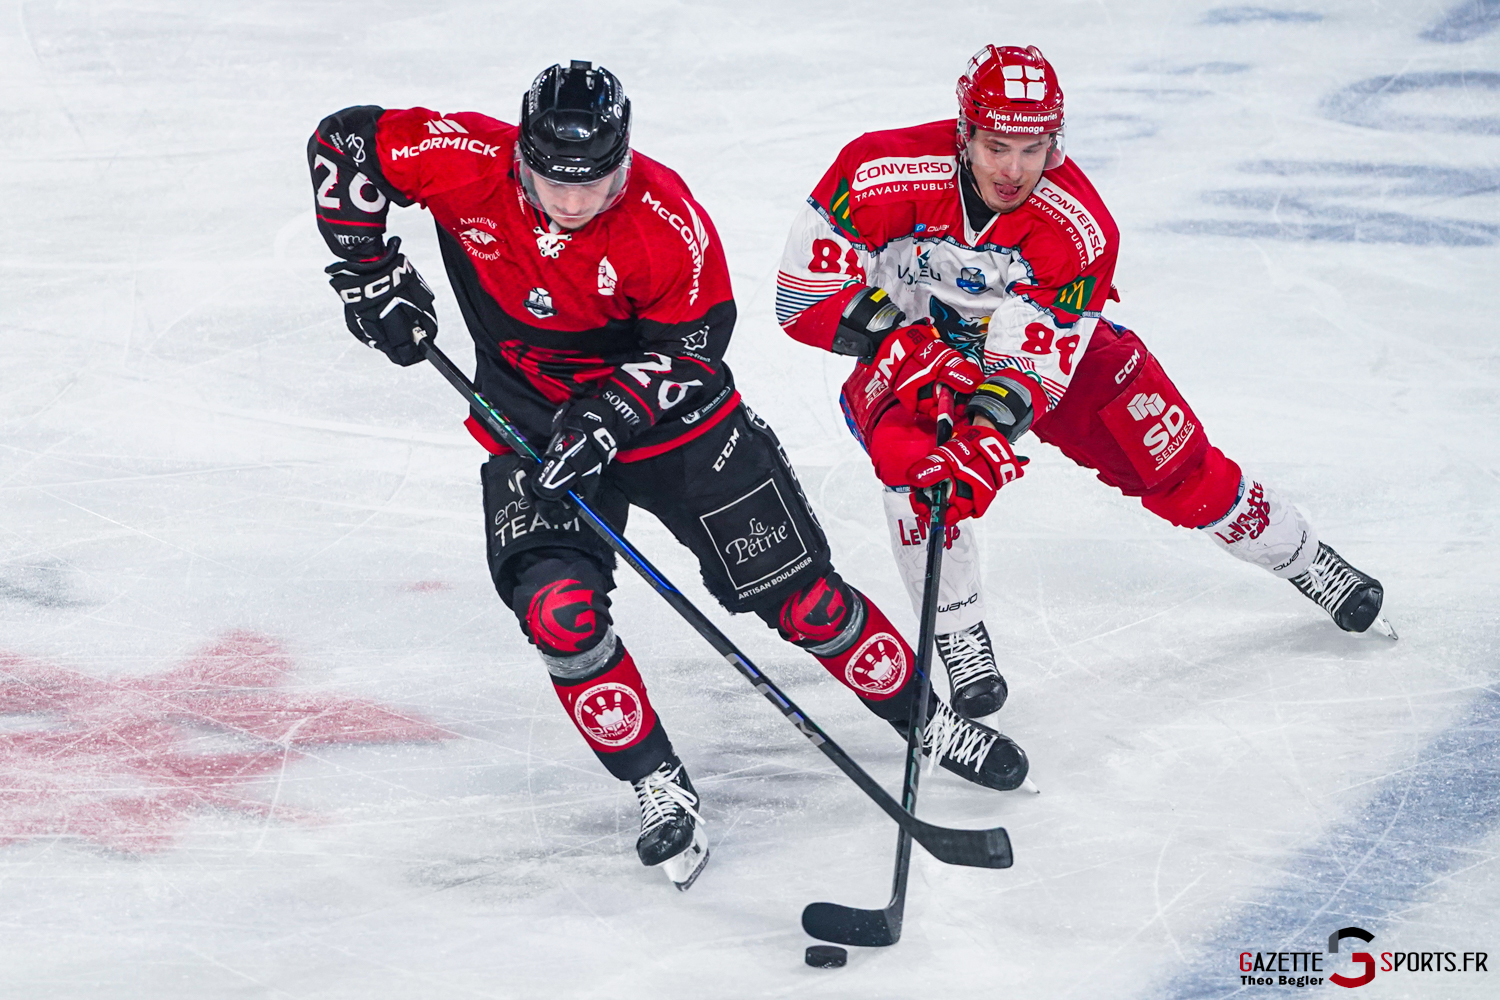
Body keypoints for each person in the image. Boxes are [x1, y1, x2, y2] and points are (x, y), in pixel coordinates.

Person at [306, 61, 1029, 891]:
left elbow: (694, 349)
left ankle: (924, 721)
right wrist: (368, 270)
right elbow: (347, 140)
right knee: (558, 614)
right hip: (533, 431)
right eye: (552, 180)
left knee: (806, 599)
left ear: (625, 156)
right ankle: (656, 782)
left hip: (678, 431)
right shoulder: (458, 156)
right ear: (519, 157)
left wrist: (609, 414)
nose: (573, 203)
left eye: (598, 181)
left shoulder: (665, 220)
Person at [775, 44, 1394, 721]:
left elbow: (1032, 362)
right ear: (966, 133)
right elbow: (803, 297)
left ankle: (1304, 557)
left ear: (1055, 144)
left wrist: (984, 431)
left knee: (1177, 467)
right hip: (913, 355)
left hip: (1046, 362)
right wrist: (901, 344)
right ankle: (960, 635)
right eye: (996, 146)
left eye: (1033, 149)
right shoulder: (878, 170)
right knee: (915, 472)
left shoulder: (1081, 227)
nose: (1012, 170)